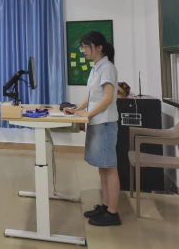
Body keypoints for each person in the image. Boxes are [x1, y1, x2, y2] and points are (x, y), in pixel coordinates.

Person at [64, 31, 121, 226]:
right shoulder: (96, 67)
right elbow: (91, 95)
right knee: (102, 167)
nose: (83, 50)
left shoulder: (108, 68)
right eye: (82, 47)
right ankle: (106, 206)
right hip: (97, 121)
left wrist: (87, 114)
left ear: (99, 47)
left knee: (109, 167)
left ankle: (113, 213)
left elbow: (107, 98)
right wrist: (76, 109)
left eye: (86, 47)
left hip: (105, 122)